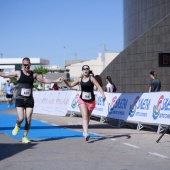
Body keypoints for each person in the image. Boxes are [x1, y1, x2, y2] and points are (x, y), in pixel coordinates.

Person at [0, 57, 63, 143]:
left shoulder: (33, 75)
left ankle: (25, 136)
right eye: (25, 65)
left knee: (28, 119)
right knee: (21, 118)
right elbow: (5, 75)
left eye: (28, 65)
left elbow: (44, 80)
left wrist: (56, 80)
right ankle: (17, 125)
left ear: (30, 65)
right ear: (23, 65)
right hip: (20, 99)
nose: (27, 67)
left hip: (29, 99)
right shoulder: (18, 73)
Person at [62, 65, 106, 141]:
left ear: (89, 70)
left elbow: (98, 86)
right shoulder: (80, 79)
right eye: (84, 69)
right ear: (82, 71)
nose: (85, 70)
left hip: (91, 101)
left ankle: (84, 131)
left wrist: (103, 94)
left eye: (87, 69)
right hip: (82, 100)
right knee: (85, 116)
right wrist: (65, 80)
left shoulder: (92, 78)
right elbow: (71, 85)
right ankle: (86, 133)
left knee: (88, 117)